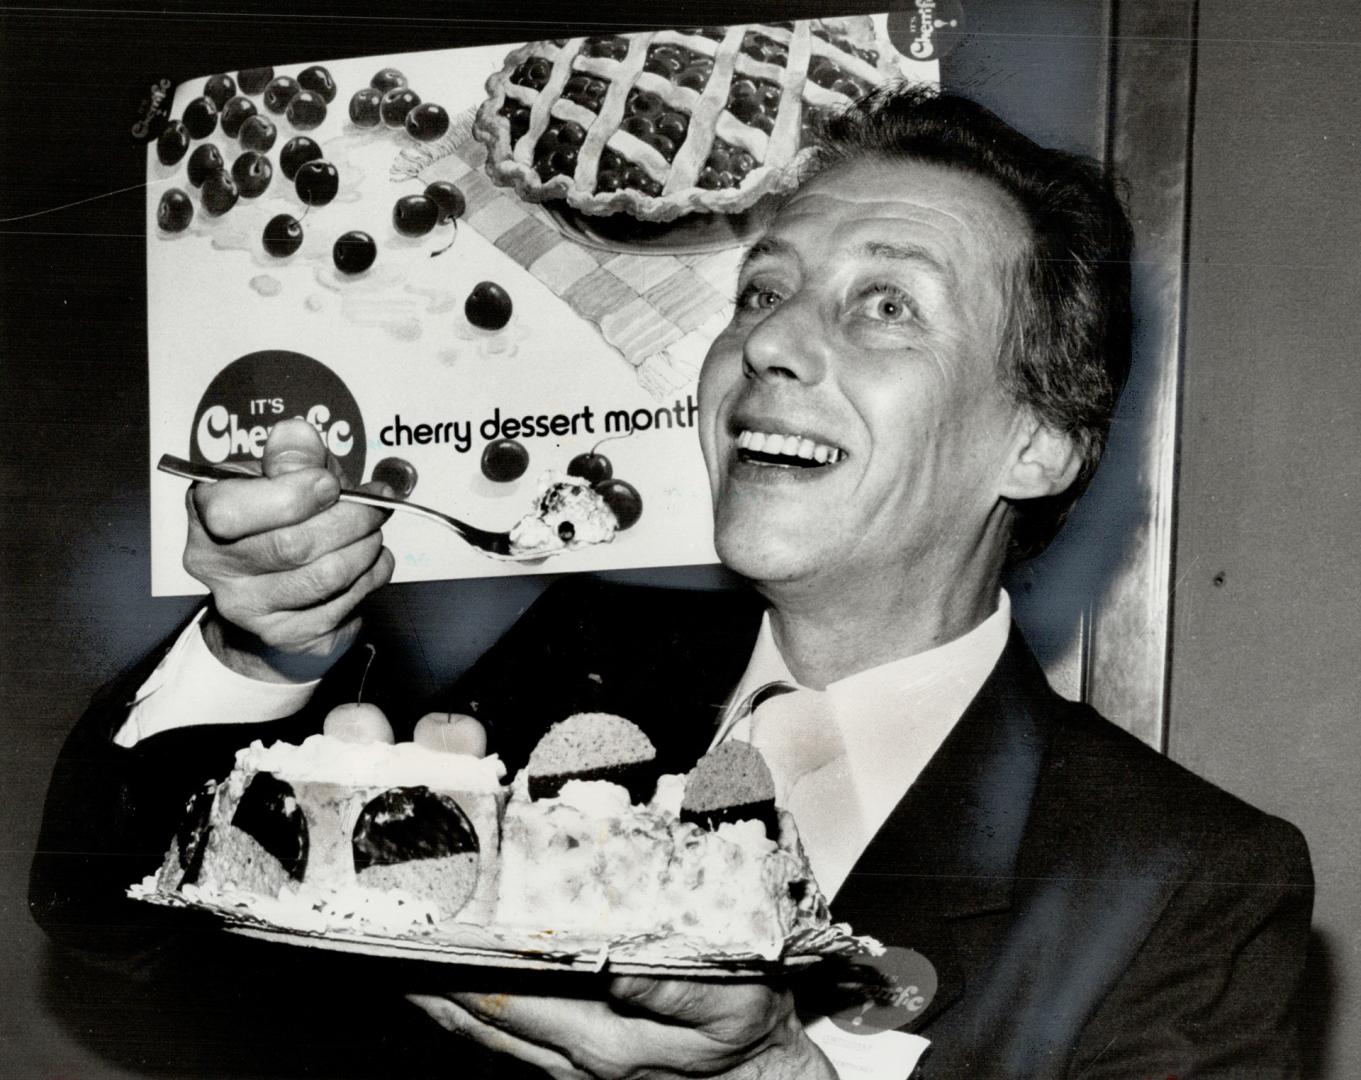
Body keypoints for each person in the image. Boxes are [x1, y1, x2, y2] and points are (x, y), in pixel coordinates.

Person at [31, 85, 1313, 1079]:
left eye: (886, 308)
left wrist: (770, 1068)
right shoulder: (561, 665)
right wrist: (263, 657)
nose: (768, 342)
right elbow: (112, 921)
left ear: (1037, 440)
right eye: (764, 288)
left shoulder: (1178, 886)